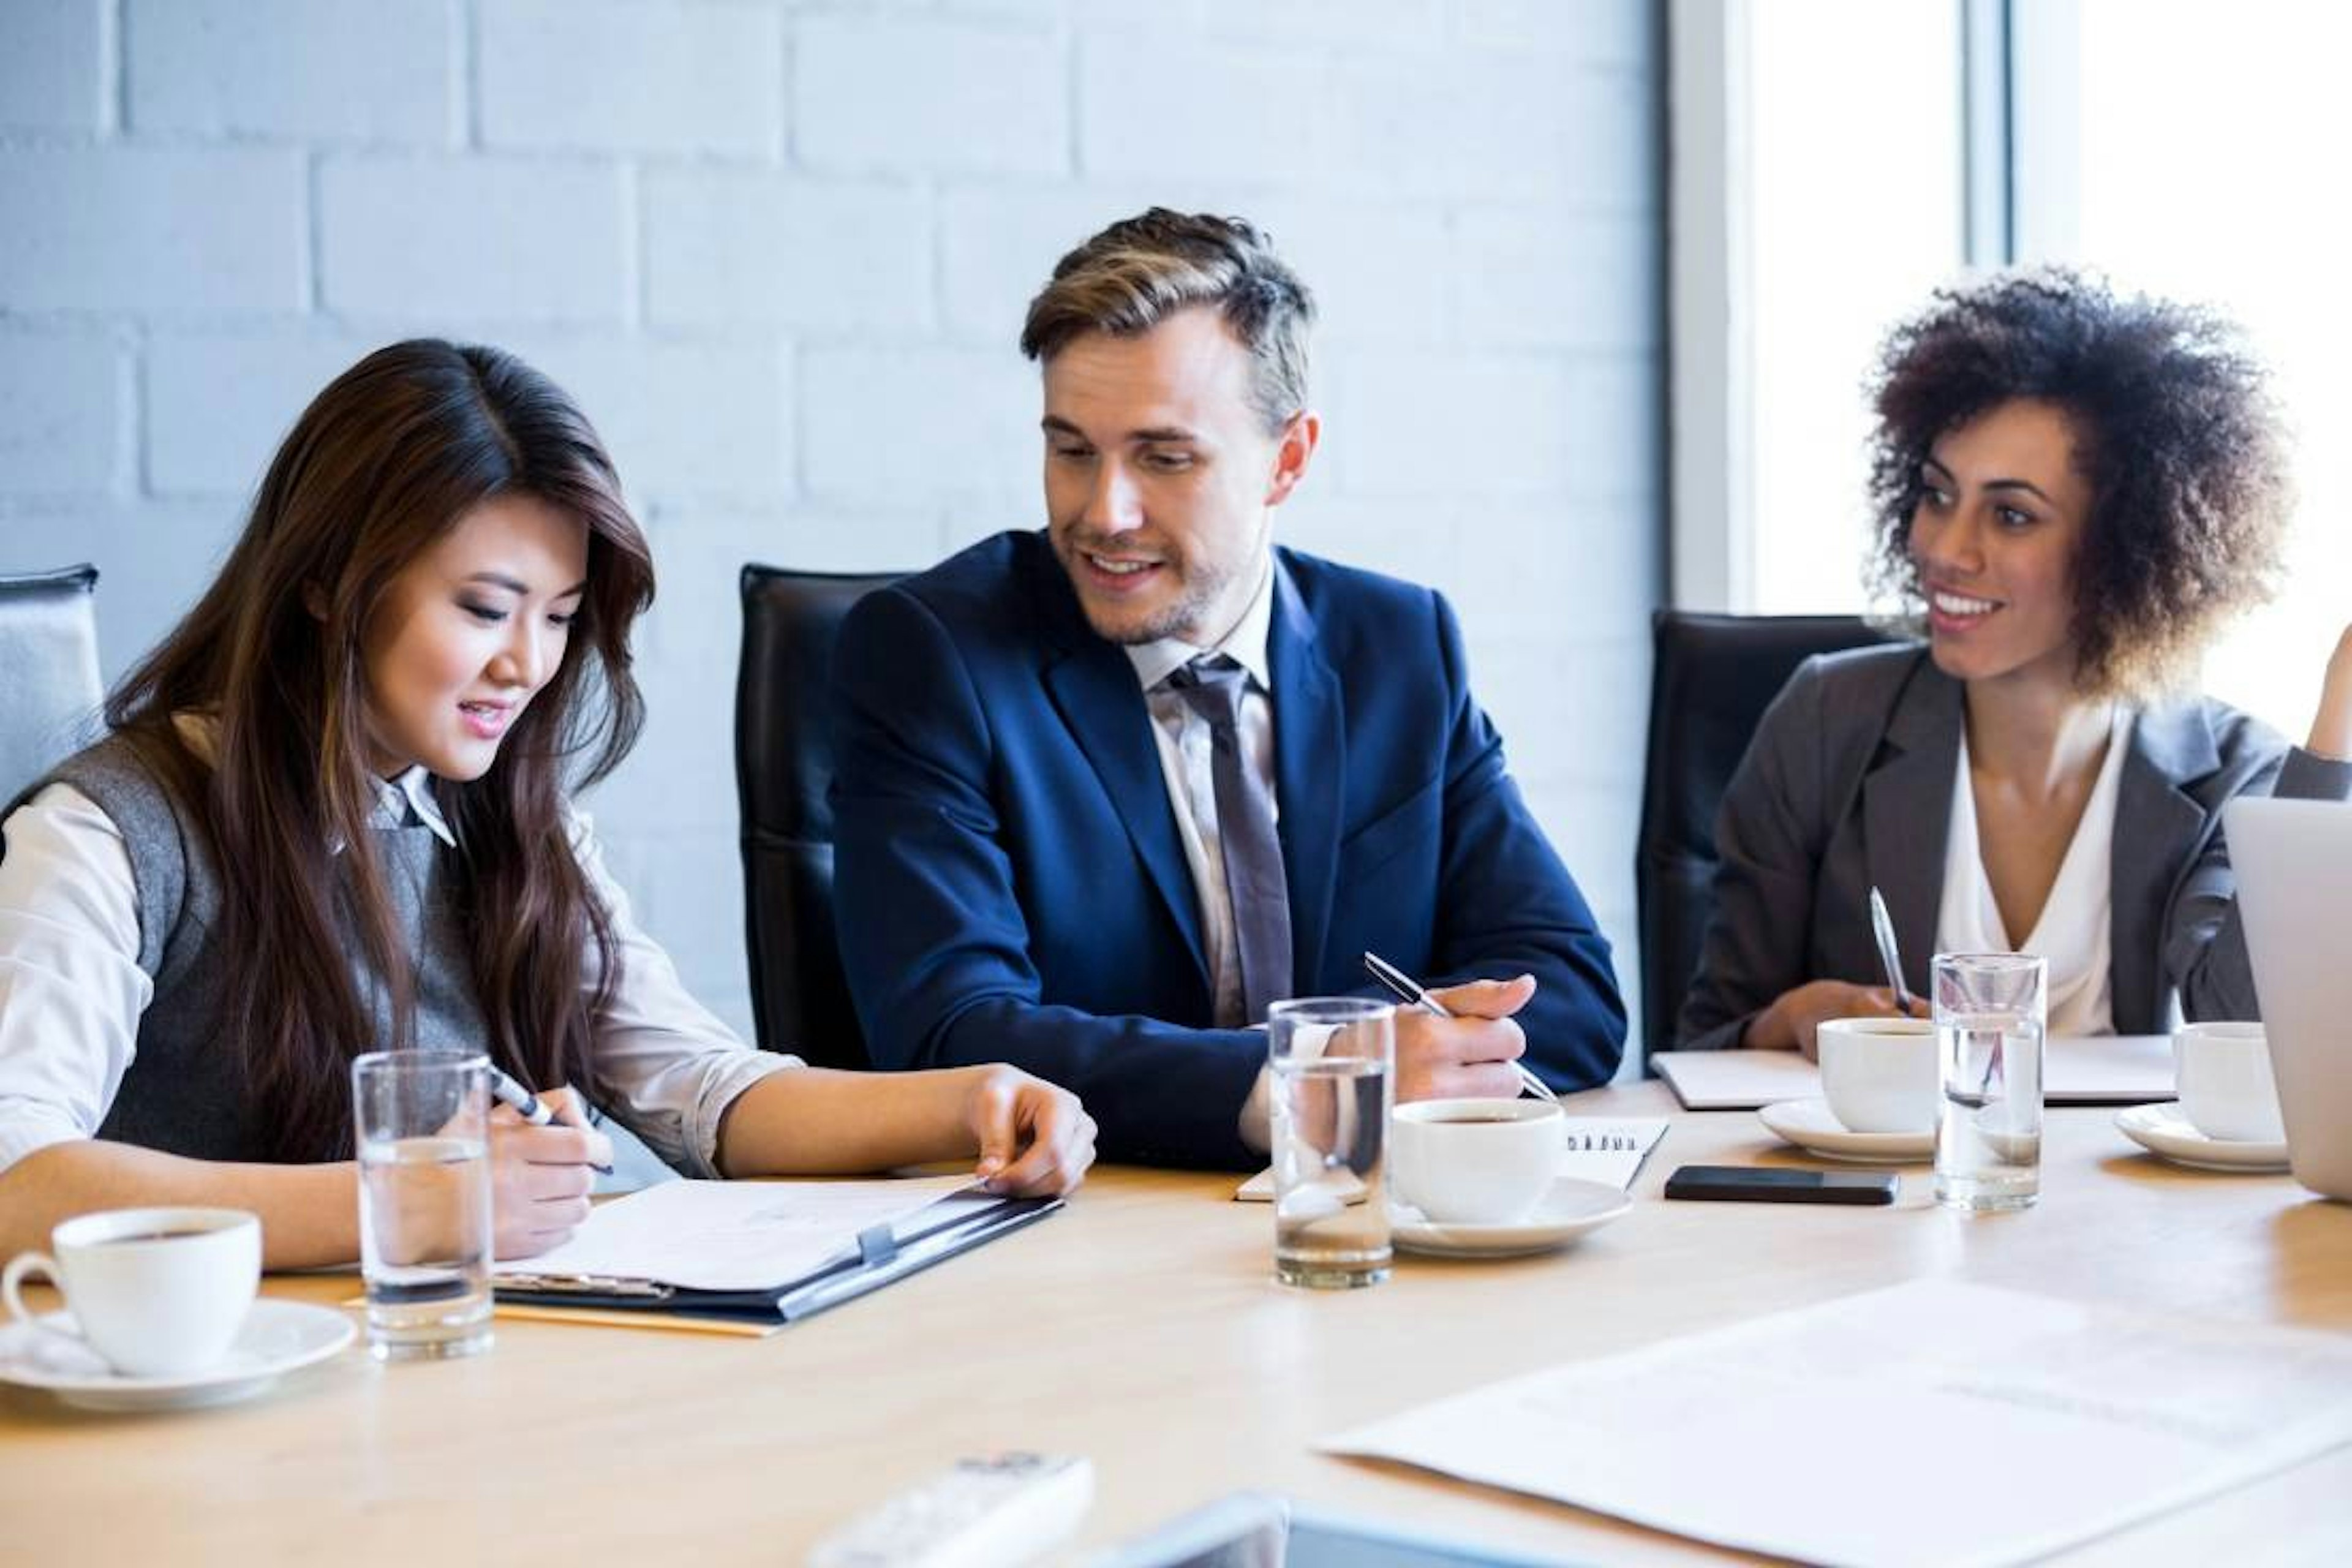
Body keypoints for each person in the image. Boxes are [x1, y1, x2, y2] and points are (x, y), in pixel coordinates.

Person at [0, 341, 1095, 1268]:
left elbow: (702, 1091)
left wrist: (971, 1102)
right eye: (485, 609)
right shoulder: (107, 833)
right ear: (327, 585)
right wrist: (410, 1201)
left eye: (562, 617)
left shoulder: (510, 822)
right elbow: (16, 1182)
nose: (526, 665)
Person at [829, 209, 1626, 1169]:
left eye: (1165, 458)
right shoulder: (935, 654)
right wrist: (1335, 1075)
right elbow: (950, 1035)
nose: (1102, 512)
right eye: (1072, 450)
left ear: (1287, 459)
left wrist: (1430, 1062)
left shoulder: (1400, 646)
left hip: (1375, 1231)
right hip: (1079, 1246)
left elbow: (1569, 992)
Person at [1677, 268, 2352, 1055]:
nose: (1945, 548)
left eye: (2010, 514)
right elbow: (1702, 1045)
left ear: (2125, 548)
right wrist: (1789, 1021)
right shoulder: (1828, 721)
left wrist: (2334, 730)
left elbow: (2247, 1038)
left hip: (2129, 1182)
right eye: (1937, 495)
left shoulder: (2233, 771)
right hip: (1901, 1178)